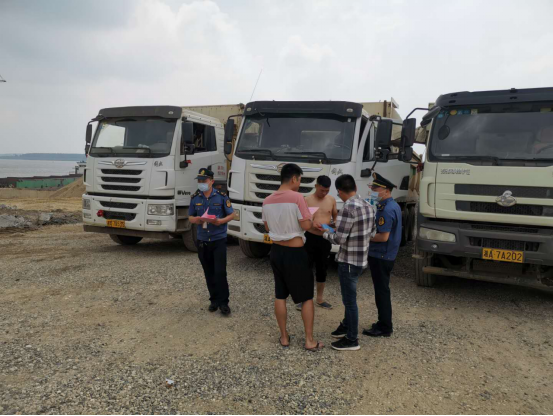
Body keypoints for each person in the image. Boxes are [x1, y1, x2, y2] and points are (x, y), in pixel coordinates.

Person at [262, 164, 324, 352]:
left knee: (280, 295)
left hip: (276, 252)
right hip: (295, 253)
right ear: (294, 178)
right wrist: (312, 221)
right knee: (306, 297)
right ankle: (309, 340)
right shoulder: (297, 198)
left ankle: (284, 337)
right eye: (300, 180)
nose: (299, 183)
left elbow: (267, 227)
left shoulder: (267, 200)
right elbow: (305, 225)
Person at [319, 174, 376, 352]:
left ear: (340, 191)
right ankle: (345, 326)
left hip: (348, 261)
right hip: (361, 259)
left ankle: (352, 339)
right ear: (355, 188)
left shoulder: (347, 209)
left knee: (349, 301)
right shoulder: (368, 206)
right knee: (349, 299)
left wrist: (325, 232)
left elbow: (339, 239)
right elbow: (372, 232)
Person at [188, 168, 236, 316]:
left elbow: (232, 214)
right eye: (199, 180)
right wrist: (197, 219)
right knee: (208, 272)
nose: (201, 183)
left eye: (204, 180)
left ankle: (224, 302)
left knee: (220, 272)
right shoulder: (195, 198)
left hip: (218, 239)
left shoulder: (221, 197)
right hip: (203, 240)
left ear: (212, 181)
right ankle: (214, 300)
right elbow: (190, 217)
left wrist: (220, 221)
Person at [363, 172, 402, 338]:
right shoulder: (392, 205)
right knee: (382, 290)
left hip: (381, 255)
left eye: (375, 189)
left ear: (386, 190)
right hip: (386, 255)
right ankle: (383, 323)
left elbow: (383, 236)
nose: (372, 191)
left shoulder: (386, 209)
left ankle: (385, 327)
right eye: (372, 188)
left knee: (382, 292)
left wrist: (365, 236)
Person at [297, 176, 338, 311]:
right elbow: (301, 219)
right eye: (322, 190)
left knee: (322, 269)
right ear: (316, 186)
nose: (324, 193)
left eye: (327, 190)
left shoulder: (331, 200)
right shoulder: (307, 200)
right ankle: (304, 298)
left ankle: (320, 299)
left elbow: (335, 216)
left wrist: (333, 225)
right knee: (306, 268)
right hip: (310, 237)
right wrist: (312, 224)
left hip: (325, 238)